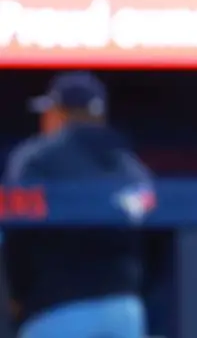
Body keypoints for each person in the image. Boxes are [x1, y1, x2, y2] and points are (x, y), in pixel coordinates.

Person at [4, 71, 151, 338]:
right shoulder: (130, 165)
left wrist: (16, 295)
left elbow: (17, 236)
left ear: (57, 114)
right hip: (124, 309)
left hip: (57, 307)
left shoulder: (37, 159)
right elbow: (156, 242)